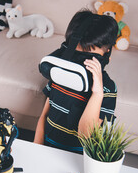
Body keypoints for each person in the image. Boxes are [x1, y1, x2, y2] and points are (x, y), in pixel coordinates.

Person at [33, 9, 118, 153]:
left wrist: (97, 94)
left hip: (77, 159)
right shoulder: (59, 74)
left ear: (107, 55)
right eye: (77, 54)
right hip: (46, 150)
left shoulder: (107, 89)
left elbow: (86, 135)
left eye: (88, 57)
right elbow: (44, 116)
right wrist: (36, 149)